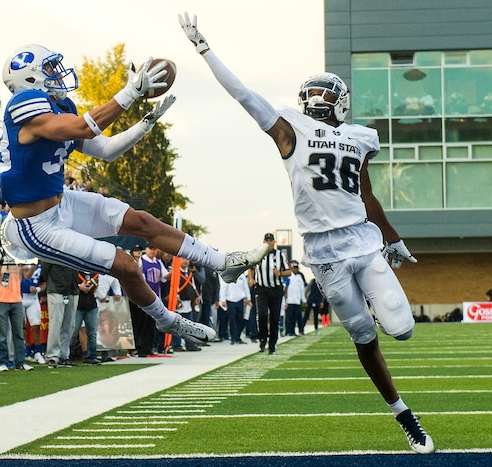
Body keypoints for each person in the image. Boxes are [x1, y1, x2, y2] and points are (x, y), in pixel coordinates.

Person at [179, 11, 433, 453]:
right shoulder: (289, 128)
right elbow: (243, 94)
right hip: (325, 254)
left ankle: (376, 298)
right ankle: (403, 414)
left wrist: (394, 239)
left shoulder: (358, 137)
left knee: (403, 329)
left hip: (362, 239)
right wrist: (205, 50)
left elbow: (367, 196)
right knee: (364, 336)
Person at [0, 44, 268, 350]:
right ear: (29, 79)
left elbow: (105, 150)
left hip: (63, 203)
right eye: (48, 68)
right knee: (125, 264)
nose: (57, 73)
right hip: (37, 225)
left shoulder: (62, 106)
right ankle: (166, 319)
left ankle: (223, 262)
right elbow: (82, 128)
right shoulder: (23, 103)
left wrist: (145, 124)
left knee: (140, 220)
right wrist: (130, 92)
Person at [0, 247, 33, 372]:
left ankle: (20, 361)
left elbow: (27, 275)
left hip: (16, 298)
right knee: (2, 334)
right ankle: (3, 361)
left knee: (19, 333)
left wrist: (34, 263)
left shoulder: (20, 252)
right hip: (0, 298)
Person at [40, 262, 80, 368]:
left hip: (73, 288)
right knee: (55, 324)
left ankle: (64, 355)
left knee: (69, 325)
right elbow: (45, 268)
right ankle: (53, 356)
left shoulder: (76, 250)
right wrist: (53, 281)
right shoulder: (54, 247)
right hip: (56, 289)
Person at [71, 271, 100, 364]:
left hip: (91, 305)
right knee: (73, 332)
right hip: (78, 305)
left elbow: (98, 286)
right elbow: (70, 284)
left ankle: (93, 356)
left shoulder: (95, 273)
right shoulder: (75, 272)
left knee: (92, 332)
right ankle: (68, 355)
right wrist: (79, 287)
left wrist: (95, 284)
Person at [21, 262, 45, 364]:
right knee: (21, 327)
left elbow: (44, 283)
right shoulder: (19, 263)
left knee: (36, 325)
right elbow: (25, 276)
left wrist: (38, 289)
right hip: (20, 296)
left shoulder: (40, 267)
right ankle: (25, 351)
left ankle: (37, 352)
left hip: (33, 298)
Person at [218, 269, 251, 345]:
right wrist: (223, 299)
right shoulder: (227, 275)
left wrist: (248, 299)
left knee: (240, 319)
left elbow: (245, 287)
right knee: (232, 320)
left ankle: (238, 337)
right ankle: (233, 338)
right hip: (230, 300)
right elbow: (223, 287)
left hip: (240, 299)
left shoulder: (242, 276)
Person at [284, 260, 306, 336]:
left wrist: (303, 299)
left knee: (298, 317)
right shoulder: (288, 276)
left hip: (297, 301)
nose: (295, 269)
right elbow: (285, 289)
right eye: (294, 268)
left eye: (296, 268)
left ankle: (298, 330)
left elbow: (302, 289)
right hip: (290, 301)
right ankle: (289, 331)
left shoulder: (300, 277)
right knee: (289, 317)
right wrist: (285, 300)